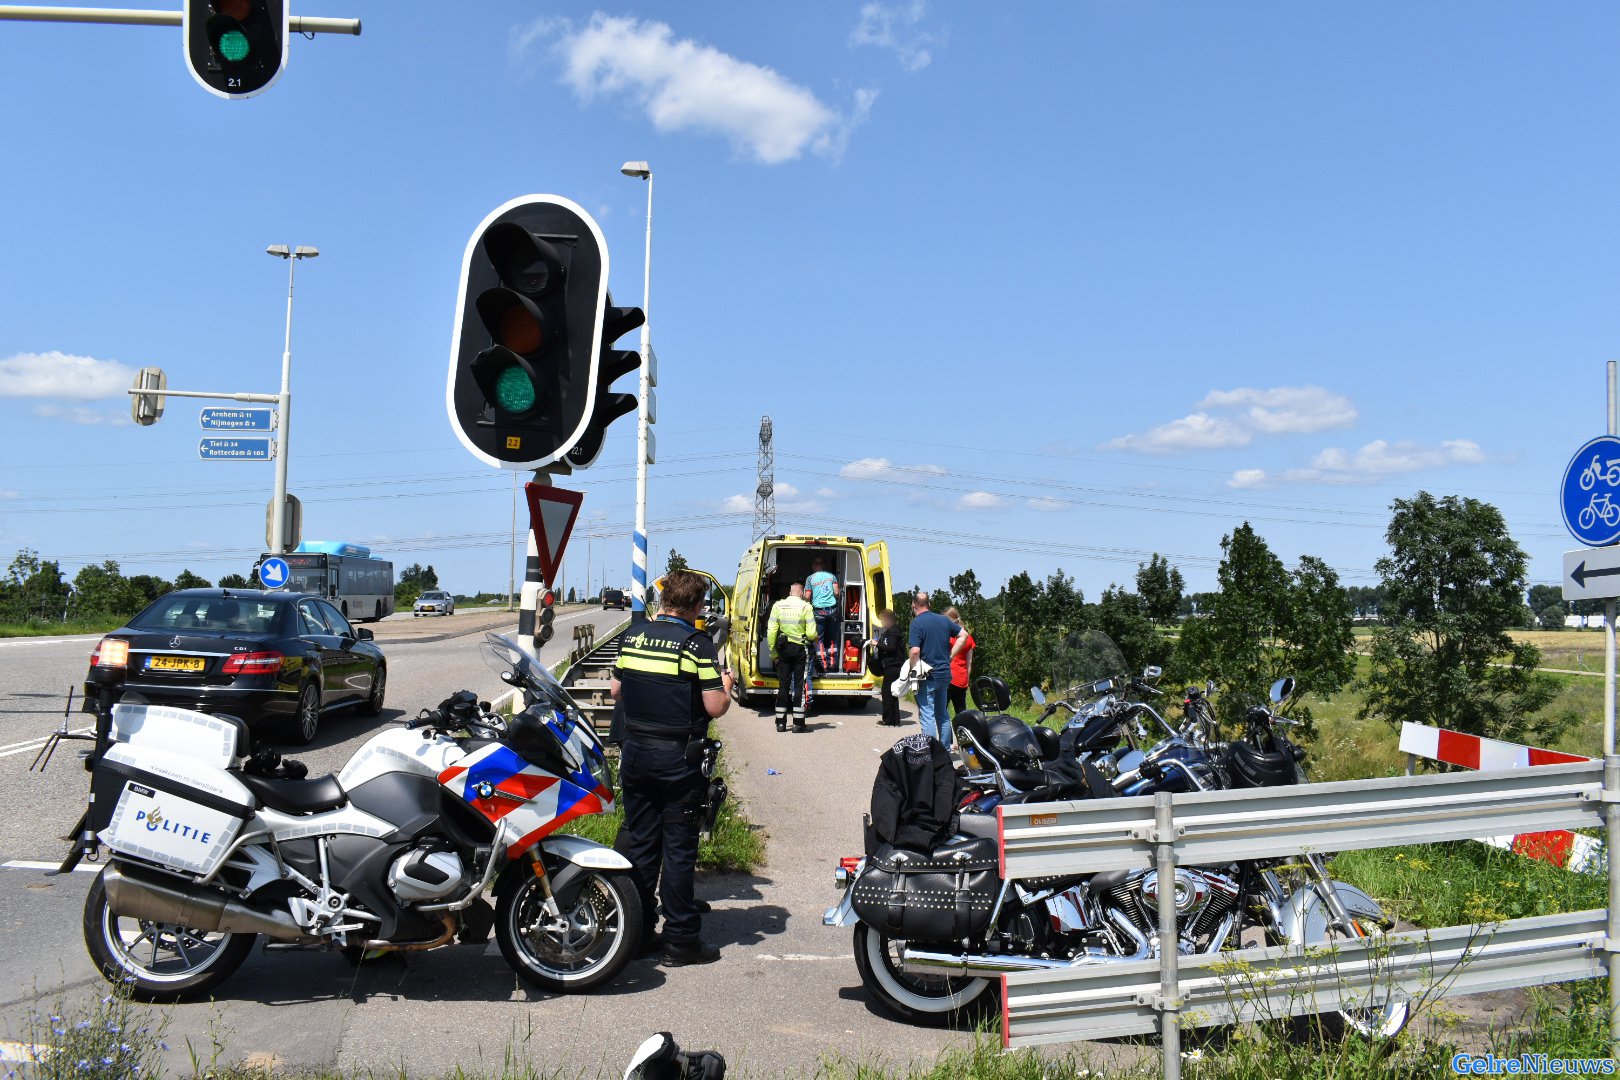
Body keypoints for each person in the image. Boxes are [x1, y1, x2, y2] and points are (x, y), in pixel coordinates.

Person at [610, 569, 734, 967]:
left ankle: (638, 933)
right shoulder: (696, 644)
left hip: (635, 754)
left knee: (642, 847)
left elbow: (616, 690)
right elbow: (715, 706)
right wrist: (726, 684)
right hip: (677, 758)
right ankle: (680, 940)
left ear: (663, 601)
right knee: (678, 850)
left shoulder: (632, 636)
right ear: (697, 607)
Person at [906, 591, 959, 749]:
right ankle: (944, 750)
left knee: (927, 714)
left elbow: (915, 651)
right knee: (942, 713)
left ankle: (931, 752)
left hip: (927, 676)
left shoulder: (916, 623)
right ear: (929, 604)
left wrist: (912, 668)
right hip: (944, 674)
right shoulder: (944, 620)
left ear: (913, 605)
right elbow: (963, 635)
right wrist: (951, 654)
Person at [766, 582, 816, 732]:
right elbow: (812, 633)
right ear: (801, 593)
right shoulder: (806, 607)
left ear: (790, 591)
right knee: (799, 686)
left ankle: (780, 723)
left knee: (783, 686)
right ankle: (798, 724)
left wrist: (773, 653)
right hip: (801, 650)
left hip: (783, 650)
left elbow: (771, 632)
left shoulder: (778, 606)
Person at [805, 556, 840, 671]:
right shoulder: (832, 576)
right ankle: (833, 663)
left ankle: (823, 665)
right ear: (823, 565)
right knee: (832, 638)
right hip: (832, 611)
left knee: (818, 640)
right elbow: (836, 592)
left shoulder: (810, 578)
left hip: (819, 612)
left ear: (814, 566)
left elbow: (807, 597)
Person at [873, 609, 905, 726]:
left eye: (882, 620)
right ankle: (893, 719)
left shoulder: (893, 632)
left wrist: (877, 644)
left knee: (887, 693)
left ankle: (888, 719)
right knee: (892, 693)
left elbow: (891, 648)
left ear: (888, 619)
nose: (881, 623)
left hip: (893, 665)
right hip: (892, 665)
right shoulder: (892, 631)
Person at [944, 606, 976, 718]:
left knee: (942, 712)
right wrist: (967, 681)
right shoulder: (968, 638)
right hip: (961, 679)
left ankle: (946, 735)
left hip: (947, 677)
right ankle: (963, 733)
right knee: (961, 712)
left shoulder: (948, 635)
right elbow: (969, 662)